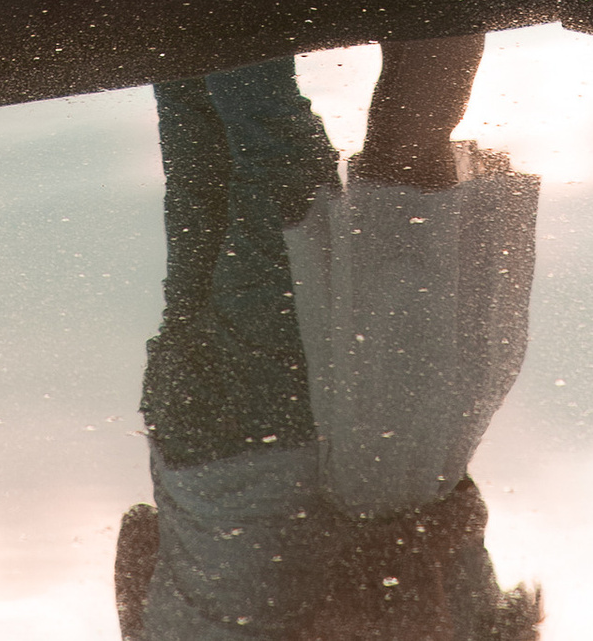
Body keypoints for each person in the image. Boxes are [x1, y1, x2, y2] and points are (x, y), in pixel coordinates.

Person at [115, 34, 543, 641]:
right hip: (185, 446)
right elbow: (137, 534)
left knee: (282, 167)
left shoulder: (466, 628)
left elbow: (370, 583)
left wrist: (444, 525)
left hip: (284, 427)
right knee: (200, 167)